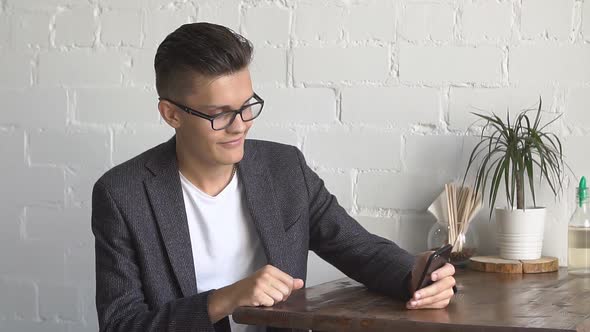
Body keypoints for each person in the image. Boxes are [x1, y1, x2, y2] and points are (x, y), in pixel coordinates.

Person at [91, 22, 456, 332]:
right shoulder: (123, 194)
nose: (241, 126)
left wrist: (417, 277)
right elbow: (122, 324)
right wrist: (225, 299)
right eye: (219, 114)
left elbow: (358, 248)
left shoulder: (284, 168)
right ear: (171, 114)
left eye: (247, 106)